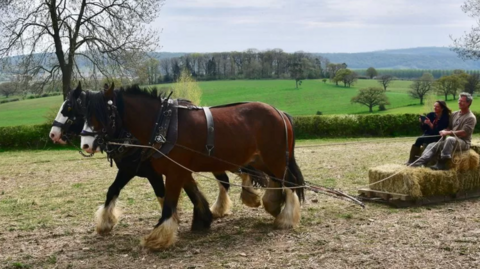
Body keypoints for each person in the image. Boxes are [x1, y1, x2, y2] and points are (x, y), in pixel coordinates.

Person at [412, 92, 477, 170]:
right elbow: (449, 127)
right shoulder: (454, 114)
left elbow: (464, 133)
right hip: (452, 141)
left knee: (450, 139)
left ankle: (442, 163)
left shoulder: (471, 117)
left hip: (463, 142)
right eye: (459, 100)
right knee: (432, 145)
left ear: (468, 103)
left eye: (462, 101)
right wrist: (444, 130)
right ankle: (419, 163)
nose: (459, 102)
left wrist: (448, 133)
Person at [406, 101, 451, 165]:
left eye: (437, 107)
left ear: (442, 108)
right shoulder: (431, 114)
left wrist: (430, 124)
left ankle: (422, 162)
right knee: (419, 139)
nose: (435, 108)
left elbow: (439, 132)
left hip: (437, 136)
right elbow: (424, 128)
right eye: (434, 106)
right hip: (428, 134)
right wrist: (422, 123)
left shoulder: (445, 118)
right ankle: (411, 160)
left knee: (426, 140)